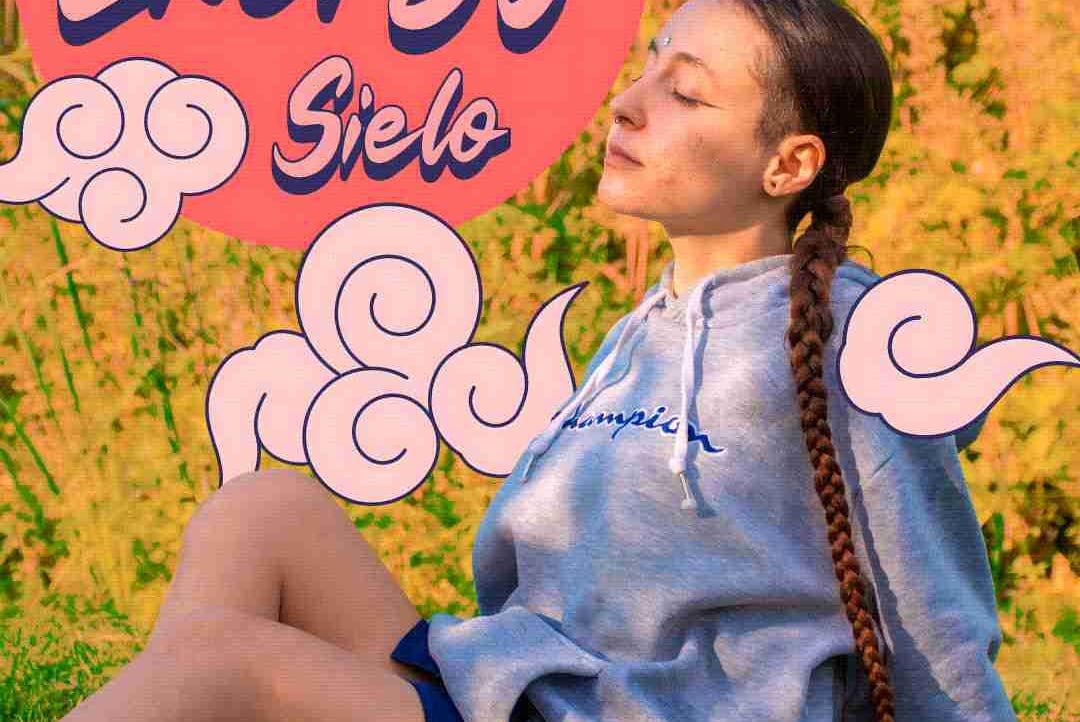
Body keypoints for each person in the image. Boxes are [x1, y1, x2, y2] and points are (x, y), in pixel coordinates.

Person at [59, 1, 1015, 722]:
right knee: (263, 512)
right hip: (520, 687)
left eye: (685, 93)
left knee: (226, 665)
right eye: (647, 67)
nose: (629, 104)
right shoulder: (636, 337)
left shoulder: (856, 339)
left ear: (788, 165)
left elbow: (931, 615)